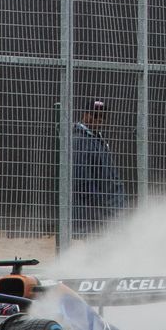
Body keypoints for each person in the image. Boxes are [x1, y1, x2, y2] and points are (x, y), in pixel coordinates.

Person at [72, 99, 126, 237]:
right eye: (96, 115)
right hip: (95, 215)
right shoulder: (81, 141)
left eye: (103, 116)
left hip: (105, 210)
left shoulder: (96, 139)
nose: (100, 119)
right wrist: (104, 207)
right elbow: (83, 182)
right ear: (86, 115)